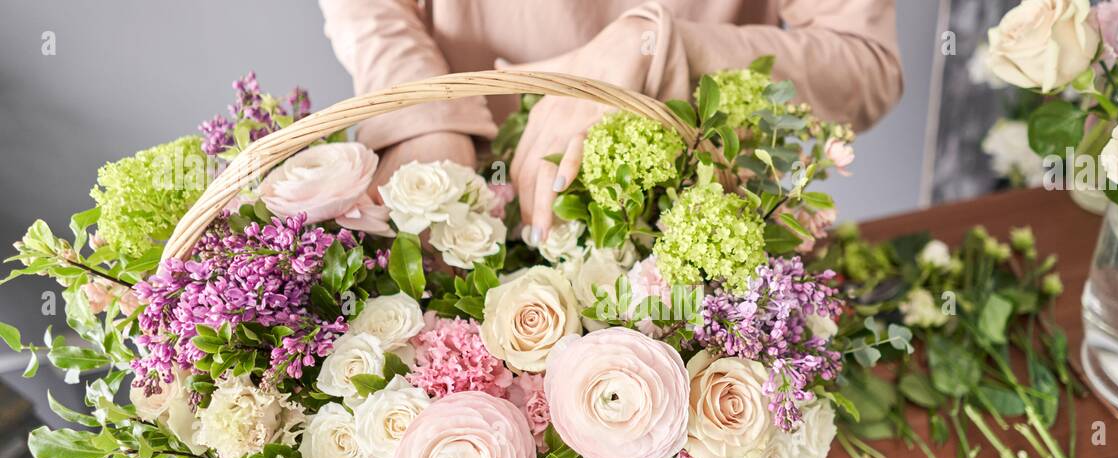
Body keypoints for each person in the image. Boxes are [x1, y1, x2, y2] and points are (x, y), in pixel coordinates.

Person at [320, 0, 902, 243]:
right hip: (460, 192)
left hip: (684, 239)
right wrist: (425, 113)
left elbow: (865, 64)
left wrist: (653, 51)